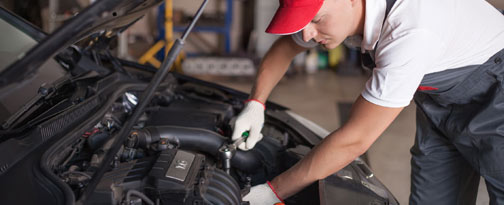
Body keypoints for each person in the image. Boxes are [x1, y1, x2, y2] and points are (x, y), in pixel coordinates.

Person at [231, 0, 504, 204]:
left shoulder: (409, 31)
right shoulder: (343, 13)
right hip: (440, 98)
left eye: (315, 19)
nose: (306, 35)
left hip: (496, 94)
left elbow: (355, 139)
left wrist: (273, 191)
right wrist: (257, 103)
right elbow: (285, 48)